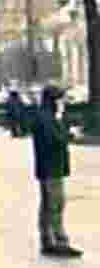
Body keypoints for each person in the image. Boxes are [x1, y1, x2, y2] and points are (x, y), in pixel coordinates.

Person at [31, 85, 82, 258]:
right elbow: (55, 140)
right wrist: (69, 134)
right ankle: (57, 242)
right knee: (55, 204)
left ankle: (48, 240)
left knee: (49, 204)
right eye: (60, 99)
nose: (63, 103)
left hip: (50, 167)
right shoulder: (46, 118)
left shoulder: (46, 116)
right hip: (51, 168)